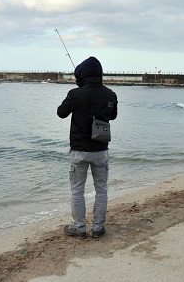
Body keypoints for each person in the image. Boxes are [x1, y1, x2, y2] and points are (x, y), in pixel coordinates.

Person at [57, 56, 118, 239]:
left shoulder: (76, 94)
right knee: (101, 189)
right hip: (101, 151)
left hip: (79, 151)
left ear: (82, 74)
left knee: (77, 190)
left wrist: (78, 91)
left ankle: (80, 228)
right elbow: (112, 116)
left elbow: (61, 113)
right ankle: (98, 228)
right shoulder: (110, 94)